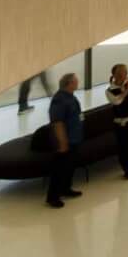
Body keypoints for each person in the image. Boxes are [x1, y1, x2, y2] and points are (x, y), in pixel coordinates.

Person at [45, 72, 84, 209]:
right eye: (75, 81)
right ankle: (53, 197)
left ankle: (66, 189)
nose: (78, 82)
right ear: (69, 83)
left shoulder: (70, 97)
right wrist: (62, 142)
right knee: (60, 169)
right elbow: (57, 122)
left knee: (69, 167)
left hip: (73, 139)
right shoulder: (60, 99)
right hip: (65, 141)